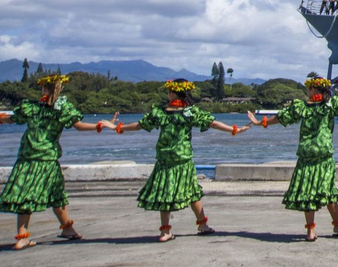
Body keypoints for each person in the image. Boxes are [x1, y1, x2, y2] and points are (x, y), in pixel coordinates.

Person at [246, 74, 338, 241]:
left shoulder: (302, 107)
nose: (306, 91)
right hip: (323, 156)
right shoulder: (330, 105)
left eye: (308, 88)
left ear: (314, 89)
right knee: (329, 192)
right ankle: (337, 226)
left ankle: (311, 231)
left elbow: (280, 118)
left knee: (308, 193)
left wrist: (261, 123)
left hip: (306, 156)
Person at [113, 79, 249, 241]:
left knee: (166, 193)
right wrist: (234, 129)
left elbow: (139, 125)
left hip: (165, 159)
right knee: (191, 192)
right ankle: (201, 224)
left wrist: (119, 128)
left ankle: (166, 231)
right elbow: (213, 123)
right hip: (182, 158)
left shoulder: (161, 112)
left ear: (172, 93)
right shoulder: (189, 112)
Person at [0, 74, 110, 249]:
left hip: (29, 158)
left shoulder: (34, 108)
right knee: (55, 195)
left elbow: (9, 119)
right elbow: (79, 126)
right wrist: (100, 125)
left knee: (28, 196)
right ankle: (38, 234)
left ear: (45, 89)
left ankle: (50, 231)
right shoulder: (58, 109)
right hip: (46, 159)